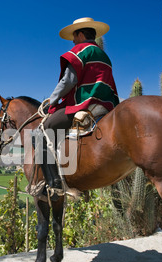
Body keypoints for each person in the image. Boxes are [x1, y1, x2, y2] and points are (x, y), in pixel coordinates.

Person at [36, 17, 119, 201]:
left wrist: (53, 100)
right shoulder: (104, 56)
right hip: (106, 105)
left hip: (85, 104)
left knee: (40, 133)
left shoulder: (80, 51)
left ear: (81, 34)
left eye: (74, 36)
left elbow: (68, 81)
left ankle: (54, 185)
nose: (73, 40)